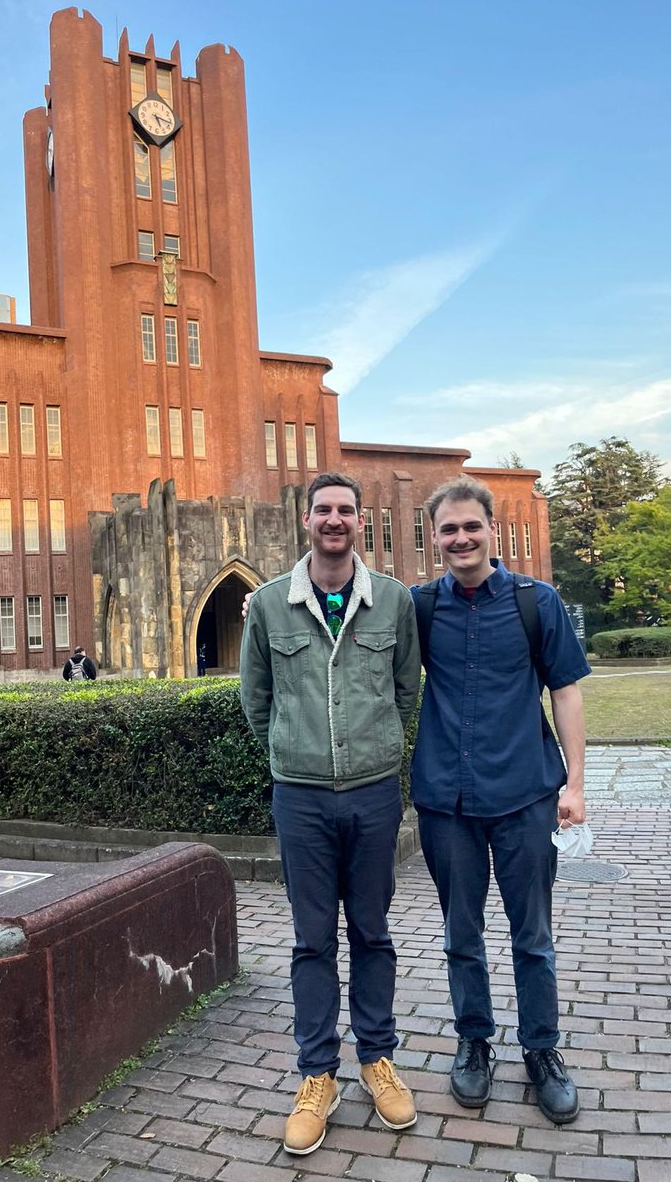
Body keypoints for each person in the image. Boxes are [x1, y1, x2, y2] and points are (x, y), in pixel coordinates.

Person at [239, 472, 421, 1156]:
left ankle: (377, 1059)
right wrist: (296, 754)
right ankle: (318, 1075)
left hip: (374, 795)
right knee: (312, 940)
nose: (335, 520)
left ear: (360, 521)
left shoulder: (394, 602)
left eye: (346, 510)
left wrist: (373, 754)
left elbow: (407, 693)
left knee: (372, 933)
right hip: (302, 797)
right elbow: (256, 701)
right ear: (306, 519)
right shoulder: (268, 605)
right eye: (324, 510)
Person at [410, 476, 590, 1125]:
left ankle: (542, 1051)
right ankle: (474, 1042)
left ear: (492, 529)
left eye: (470, 526)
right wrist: (278, 600)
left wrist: (575, 784)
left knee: (531, 935)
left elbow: (565, 690)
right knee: (462, 932)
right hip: (446, 800)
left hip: (524, 793)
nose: (460, 537)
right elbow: (350, 615)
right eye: (448, 528)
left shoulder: (535, 602)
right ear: (434, 538)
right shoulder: (420, 605)